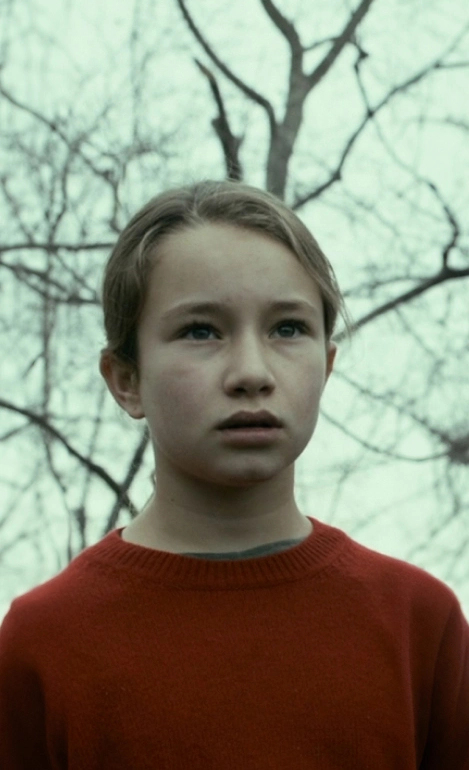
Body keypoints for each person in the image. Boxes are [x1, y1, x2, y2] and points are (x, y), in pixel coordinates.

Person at [0, 178, 468, 769]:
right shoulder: (42, 642)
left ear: (326, 365)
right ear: (126, 379)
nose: (252, 372)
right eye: (201, 330)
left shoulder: (418, 624)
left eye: (288, 328)